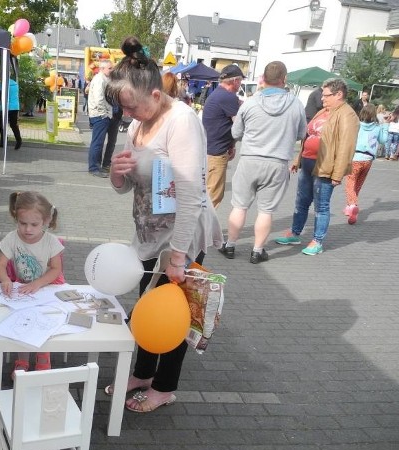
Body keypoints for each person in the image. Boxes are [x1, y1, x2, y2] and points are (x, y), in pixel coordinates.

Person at [106, 36, 223, 413]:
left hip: (179, 238)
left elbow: (191, 195)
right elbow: (127, 189)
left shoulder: (182, 122)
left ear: (156, 95)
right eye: (124, 108)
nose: (129, 114)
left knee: (173, 313)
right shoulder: (137, 127)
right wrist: (116, 173)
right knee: (146, 306)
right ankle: (142, 372)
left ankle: (165, 386)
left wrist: (178, 257)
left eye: (133, 106)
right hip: (149, 236)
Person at [218, 61, 306, 264]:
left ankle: (230, 245)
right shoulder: (295, 104)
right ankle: (257, 251)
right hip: (277, 162)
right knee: (266, 210)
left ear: (263, 79)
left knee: (239, 206)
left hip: (250, 160)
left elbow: (236, 132)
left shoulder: (250, 102)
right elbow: (302, 133)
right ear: (284, 79)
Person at [275, 78, 359, 255]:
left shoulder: (347, 115)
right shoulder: (323, 112)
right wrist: (298, 159)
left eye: (326, 95)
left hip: (326, 166)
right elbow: (308, 136)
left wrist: (337, 174)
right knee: (301, 201)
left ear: (339, 94)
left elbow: (346, 146)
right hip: (308, 162)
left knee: (321, 206)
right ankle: (295, 233)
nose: (322, 98)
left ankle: (317, 240)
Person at [0, 191, 65, 379]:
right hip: (22, 289)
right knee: (22, 322)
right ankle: (22, 359)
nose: (28, 229)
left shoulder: (51, 242)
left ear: (46, 221)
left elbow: (56, 269)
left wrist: (38, 283)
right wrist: (5, 279)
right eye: (22, 223)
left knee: (44, 321)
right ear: (16, 218)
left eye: (34, 224)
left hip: (46, 288)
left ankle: (43, 356)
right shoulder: (11, 238)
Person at [201, 64, 243, 207]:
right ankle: (202, 229)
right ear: (235, 81)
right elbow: (238, 126)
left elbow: (224, 125)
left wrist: (231, 145)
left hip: (210, 149)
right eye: (240, 81)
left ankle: (202, 227)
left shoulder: (217, 94)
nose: (240, 84)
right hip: (216, 152)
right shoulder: (228, 97)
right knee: (213, 197)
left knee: (208, 194)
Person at [343, 104, 383, 225]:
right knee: (358, 184)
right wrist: (385, 125)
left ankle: (353, 204)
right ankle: (349, 207)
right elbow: (383, 140)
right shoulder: (377, 127)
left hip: (356, 157)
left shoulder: (357, 125)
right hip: (368, 159)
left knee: (350, 183)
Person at [87, 59, 114, 178]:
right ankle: (94, 167)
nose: (112, 70)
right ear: (102, 69)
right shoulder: (99, 80)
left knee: (99, 142)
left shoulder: (104, 79)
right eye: (110, 68)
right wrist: (105, 113)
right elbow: (99, 99)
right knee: (97, 143)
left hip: (101, 114)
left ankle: (96, 166)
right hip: (100, 115)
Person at [0, 77, 22, 150]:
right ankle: (19, 140)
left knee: (2, 125)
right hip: (14, 107)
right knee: (13, 125)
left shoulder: (2, 84)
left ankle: (3, 141)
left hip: (4, 107)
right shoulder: (15, 83)